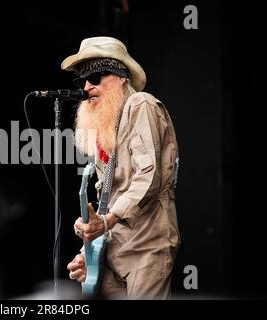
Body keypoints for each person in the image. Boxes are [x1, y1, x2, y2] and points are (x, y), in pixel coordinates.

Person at [64, 36, 180, 299]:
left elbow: (148, 177)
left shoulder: (141, 105)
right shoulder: (106, 127)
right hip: (112, 248)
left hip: (146, 245)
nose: (87, 87)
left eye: (95, 77)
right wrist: (87, 252)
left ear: (120, 77)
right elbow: (107, 198)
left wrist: (105, 222)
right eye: (81, 80)